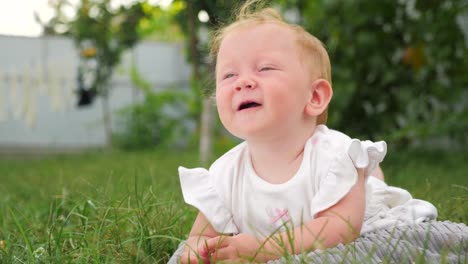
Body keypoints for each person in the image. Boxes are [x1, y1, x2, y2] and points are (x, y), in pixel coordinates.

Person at [175, 0, 437, 262]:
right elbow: (200, 236)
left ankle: (370, 181)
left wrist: (264, 249)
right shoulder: (225, 174)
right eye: (228, 76)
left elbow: (340, 228)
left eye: (265, 68)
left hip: (363, 223)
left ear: (314, 96)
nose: (242, 82)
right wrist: (196, 251)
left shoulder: (334, 158)